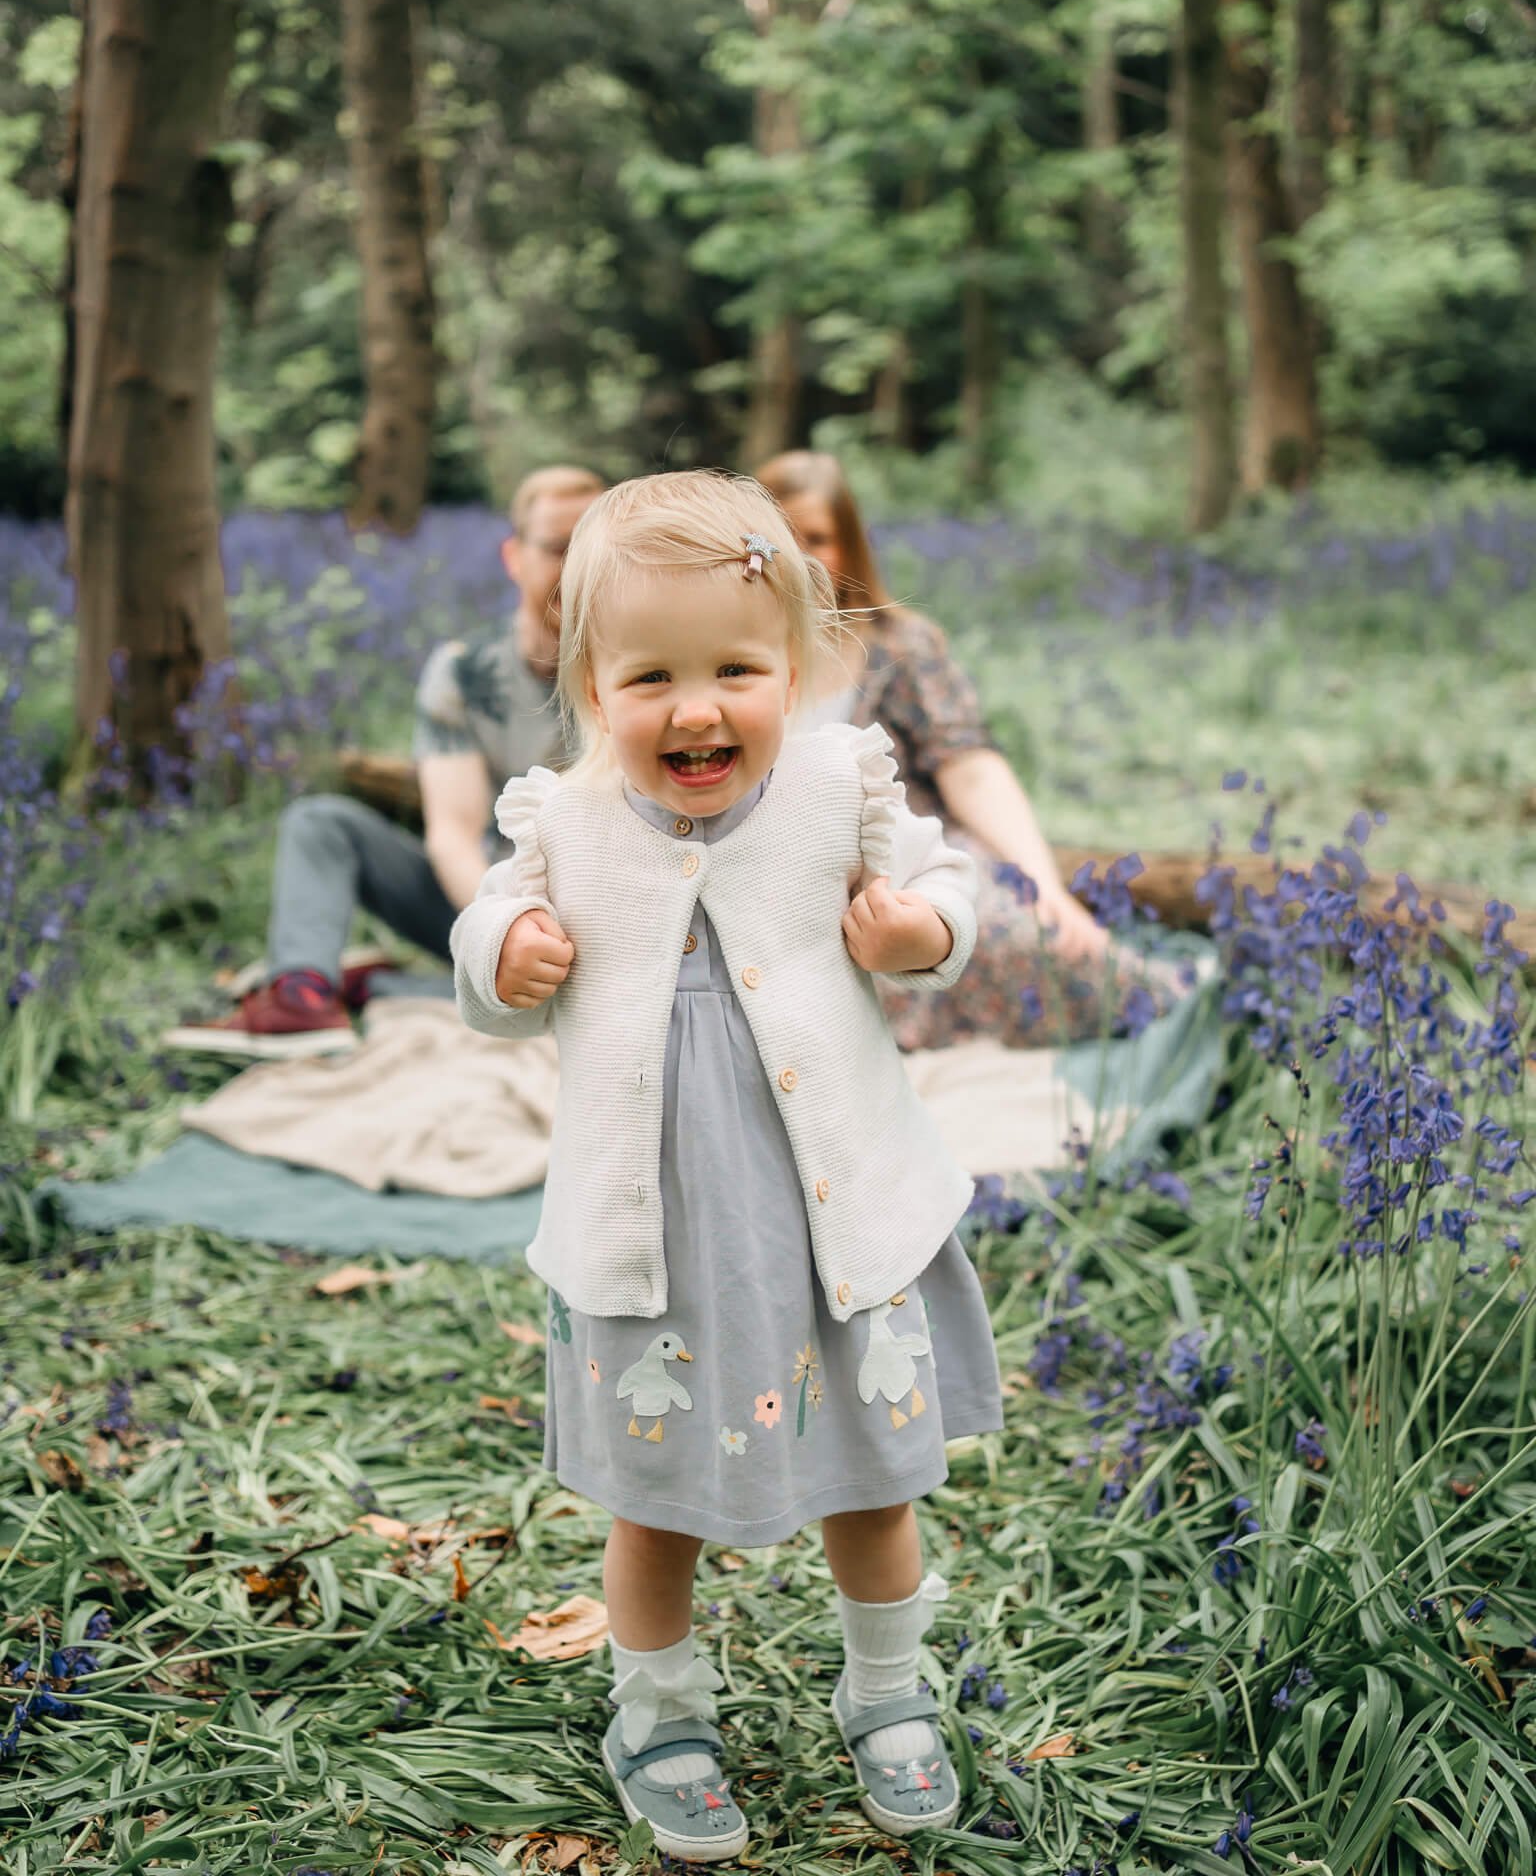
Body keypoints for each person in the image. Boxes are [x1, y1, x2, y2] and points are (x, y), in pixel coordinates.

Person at [451, 472, 1002, 1860]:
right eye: (651, 676)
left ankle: (887, 1691)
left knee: (875, 1483)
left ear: (800, 668)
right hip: (664, 1246)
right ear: (588, 682)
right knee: (657, 1505)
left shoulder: (841, 786)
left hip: (837, 1228)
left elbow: (949, 887)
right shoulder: (561, 824)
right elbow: (486, 952)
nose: (696, 709)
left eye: (737, 671)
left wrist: (919, 936)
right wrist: (500, 957)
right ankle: (659, 1709)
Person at [165, 465, 605, 1058]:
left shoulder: (644, 668)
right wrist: (504, 933)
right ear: (514, 556)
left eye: (594, 548)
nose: (576, 567)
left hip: (609, 910)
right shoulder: (462, 674)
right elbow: (453, 834)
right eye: (557, 547)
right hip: (488, 900)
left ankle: (382, 986)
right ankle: (301, 995)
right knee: (321, 824)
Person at [756, 448, 1190, 1050]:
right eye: (785, 538)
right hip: (774, 869)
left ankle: (1171, 1003)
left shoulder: (897, 646)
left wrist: (1046, 889)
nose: (803, 559)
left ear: (850, 546)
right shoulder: (730, 650)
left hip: (903, 856)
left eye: (819, 538)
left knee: (1017, 936)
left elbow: (972, 770)